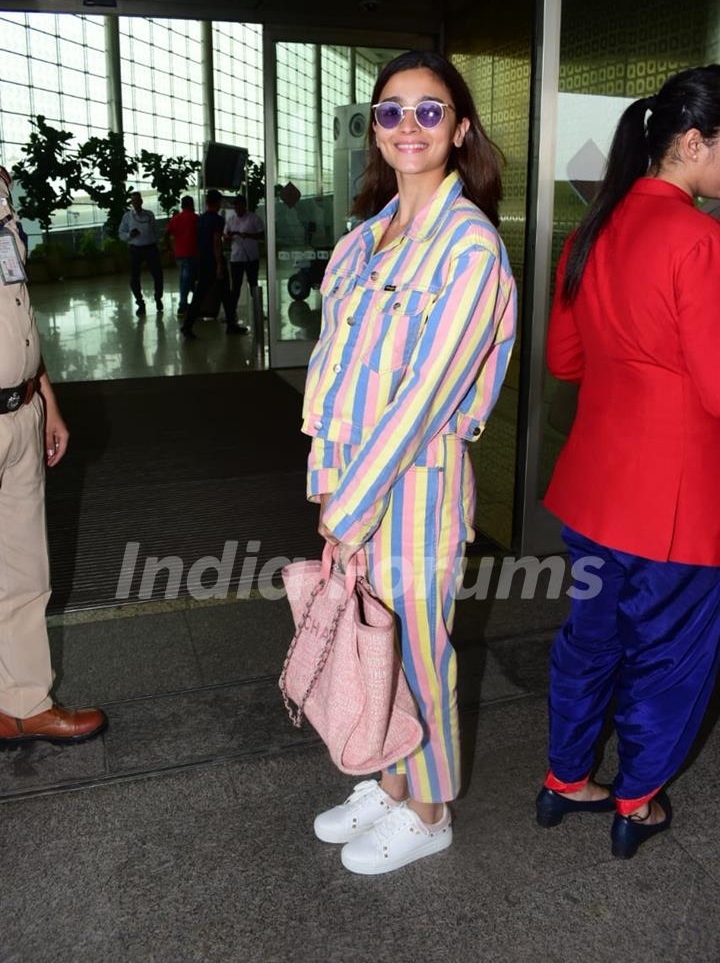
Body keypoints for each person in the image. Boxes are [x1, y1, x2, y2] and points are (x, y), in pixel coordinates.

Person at [303, 51, 517, 874]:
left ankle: (430, 809)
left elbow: (425, 396)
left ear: (460, 129)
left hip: (416, 484)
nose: (408, 127)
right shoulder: (361, 242)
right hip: (354, 483)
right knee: (376, 643)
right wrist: (332, 493)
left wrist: (347, 511)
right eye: (391, 111)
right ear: (375, 129)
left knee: (421, 649)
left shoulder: (469, 248)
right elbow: (332, 373)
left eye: (430, 111)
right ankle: (391, 783)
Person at [537, 64, 720, 859]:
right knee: (669, 654)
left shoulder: (593, 230)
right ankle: (637, 801)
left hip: (591, 493)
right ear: (693, 142)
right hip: (677, 502)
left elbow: (565, 361)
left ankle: (565, 779)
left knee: (591, 639)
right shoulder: (702, 239)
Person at [0, 166, 107, 747]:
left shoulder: (1, 190)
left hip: (20, 411)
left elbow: (17, 304)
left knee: (24, 572)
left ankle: (23, 703)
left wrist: (47, 397)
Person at [180, 189, 245, 338]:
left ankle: (189, 325)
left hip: (202, 260)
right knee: (224, 294)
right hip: (214, 261)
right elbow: (216, 242)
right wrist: (219, 265)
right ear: (218, 202)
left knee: (202, 295)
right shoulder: (217, 220)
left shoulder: (200, 219)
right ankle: (230, 325)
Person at [118, 192, 163, 316]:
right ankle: (140, 303)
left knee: (158, 274)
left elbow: (155, 231)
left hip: (150, 248)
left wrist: (158, 246)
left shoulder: (149, 215)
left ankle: (158, 298)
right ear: (131, 203)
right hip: (135, 249)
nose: (136, 203)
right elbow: (121, 234)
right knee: (134, 278)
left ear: (141, 201)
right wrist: (129, 235)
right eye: (133, 201)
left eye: (138, 201)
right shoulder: (127, 217)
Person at [224, 194, 264, 322]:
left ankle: (259, 312)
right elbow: (225, 236)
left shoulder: (254, 218)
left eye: (240, 207)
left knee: (253, 285)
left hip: (251, 257)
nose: (237, 209)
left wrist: (248, 235)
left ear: (244, 206)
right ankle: (231, 313)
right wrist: (228, 237)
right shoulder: (231, 220)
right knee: (235, 287)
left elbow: (261, 235)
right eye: (235, 207)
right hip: (236, 258)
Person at [165, 195, 199, 315]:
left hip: (179, 254)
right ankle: (183, 305)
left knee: (185, 278)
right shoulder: (196, 218)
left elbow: (166, 234)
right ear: (191, 205)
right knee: (188, 279)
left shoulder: (175, 219)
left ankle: (190, 303)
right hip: (193, 254)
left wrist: (169, 249)